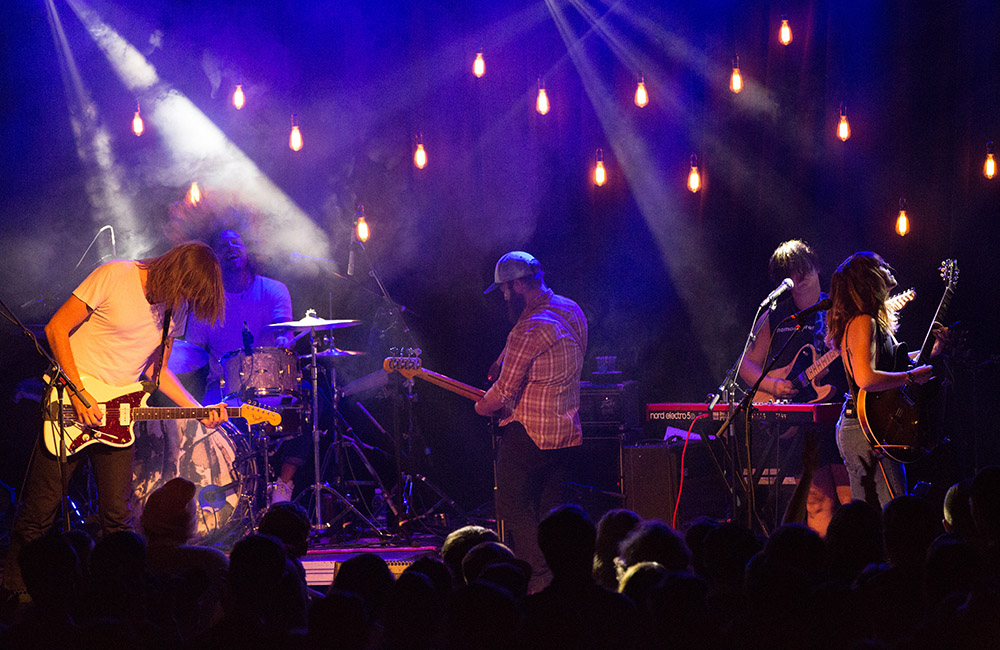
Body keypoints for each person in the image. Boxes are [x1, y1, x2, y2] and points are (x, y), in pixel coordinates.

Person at [0, 242, 228, 602]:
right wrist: (78, 393)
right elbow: (57, 329)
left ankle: (118, 598)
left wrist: (197, 408)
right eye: (186, 289)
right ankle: (12, 593)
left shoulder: (175, 308)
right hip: (71, 400)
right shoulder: (115, 274)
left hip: (119, 414)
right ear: (175, 271)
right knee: (39, 512)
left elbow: (158, 370)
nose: (185, 298)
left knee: (118, 518)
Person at [474, 251, 588, 592]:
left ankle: (539, 577)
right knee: (548, 512)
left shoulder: (528, 329)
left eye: (506, 290)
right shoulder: (571, 309)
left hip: (531, 433)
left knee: (510, 502)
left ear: (519, 284)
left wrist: (482, 406)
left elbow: (504, 394)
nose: (505, 298)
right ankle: (562, 580)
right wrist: (501, 360)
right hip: (566, 430)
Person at [183, 226, 302, 502]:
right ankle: (230, 494)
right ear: (214, 258)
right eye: (222, 246)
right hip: (222, 388)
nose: (231, 249)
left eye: (236, 243)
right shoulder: (205, 301)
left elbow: (285, 330)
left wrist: (286, 341)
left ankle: (283, 486)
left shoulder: (273, 289)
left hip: (271, 384)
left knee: (307, 403)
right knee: (200, 420)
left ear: (248, 250)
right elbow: (190, 352)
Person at [739, 239, 849, 535]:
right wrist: (773, 386)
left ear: (816, 268)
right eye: (792, 274)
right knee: (816, 502)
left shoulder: (837, 309)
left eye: (805, 271)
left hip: (836, 415)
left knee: (850, 499)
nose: (800, 279)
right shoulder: (774, 315)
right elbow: (745, 366)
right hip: (796, 420)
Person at [825, 252, 941, 507]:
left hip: (864, 426)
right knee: (894, 510)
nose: (888, 267)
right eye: (879, 265)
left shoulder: (869, 320)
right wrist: (911, 377)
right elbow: (866, 378)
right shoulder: (863, 321)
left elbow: (888, 364)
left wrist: (929, 352)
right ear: (869, 279)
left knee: (873, 516)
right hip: (865, 430)